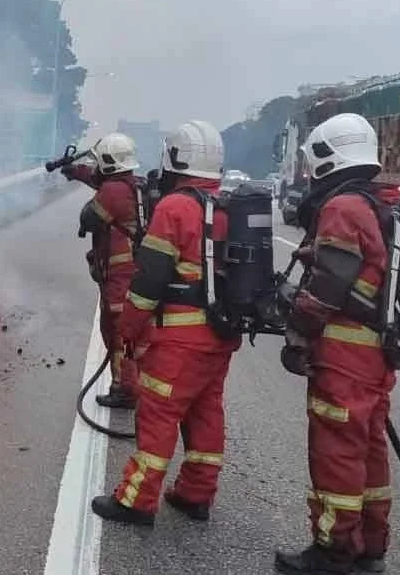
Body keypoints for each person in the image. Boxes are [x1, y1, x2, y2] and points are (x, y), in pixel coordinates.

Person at [90, 119, 241, 525]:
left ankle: (136, 501)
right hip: (218, 337)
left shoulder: (175, 207)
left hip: (178, 340)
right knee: (205, 412)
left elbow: (150, 279)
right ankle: (196, 493)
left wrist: (129, 328)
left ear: (174, 158)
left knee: (158, 415)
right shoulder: (224, 208)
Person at [274, 113, 400, 575]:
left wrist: (299, 331)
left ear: (328, 157)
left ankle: (332, 550)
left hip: (345, 356)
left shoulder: (343, 207)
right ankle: (370, 547)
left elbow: (331, 283)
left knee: (337, 453)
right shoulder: (379, 202)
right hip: (373, 353)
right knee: (368, 450)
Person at [62, 132, 144, 409]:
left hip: (121, 278)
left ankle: (128, 390)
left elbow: (90, 217)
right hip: (131, 274)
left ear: (108, 163)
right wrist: (77, 172)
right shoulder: (131, 183)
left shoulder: (112, 191)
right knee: (120, 332)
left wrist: (91, 183)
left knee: (120, 333)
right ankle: (124, 386)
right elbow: (102, 181)